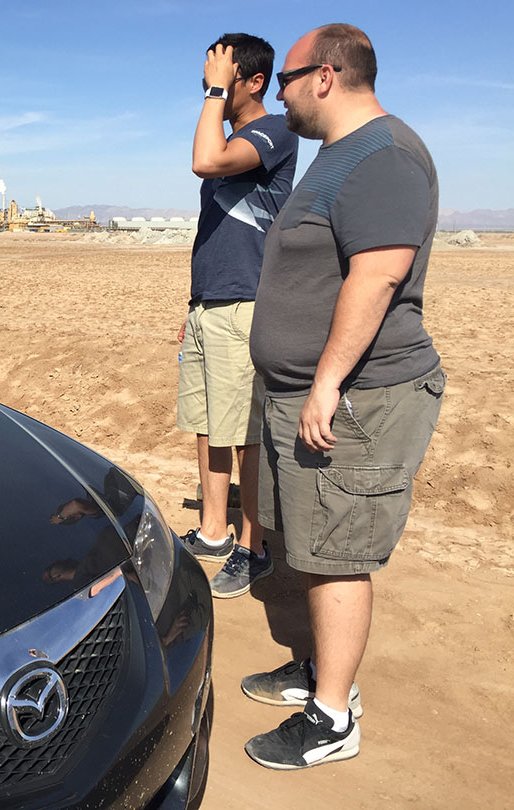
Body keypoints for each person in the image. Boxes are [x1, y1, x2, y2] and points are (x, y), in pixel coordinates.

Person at [243, 23, 445, 770]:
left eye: (287, 80)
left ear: (324, 76)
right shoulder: (339, 155)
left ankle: (333, 717)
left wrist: (326, 383)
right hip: (302, 391)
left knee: (335, 555)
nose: (280, 96)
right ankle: (318, 670)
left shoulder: (383, 155)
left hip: (357, 398)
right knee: (306, 542)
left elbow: (378, 275)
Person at [176, 33, 298, 599]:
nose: (211, 88)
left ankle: (255, 547)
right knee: (208, 424)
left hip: (245, 305)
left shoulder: (275, 131)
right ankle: (213, 530)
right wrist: (196, 304)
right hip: (210, 303)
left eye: (222, 77)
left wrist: (214, 92)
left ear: (253, 82)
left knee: (246, 434)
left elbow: (205, 162)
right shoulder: (227, 137)